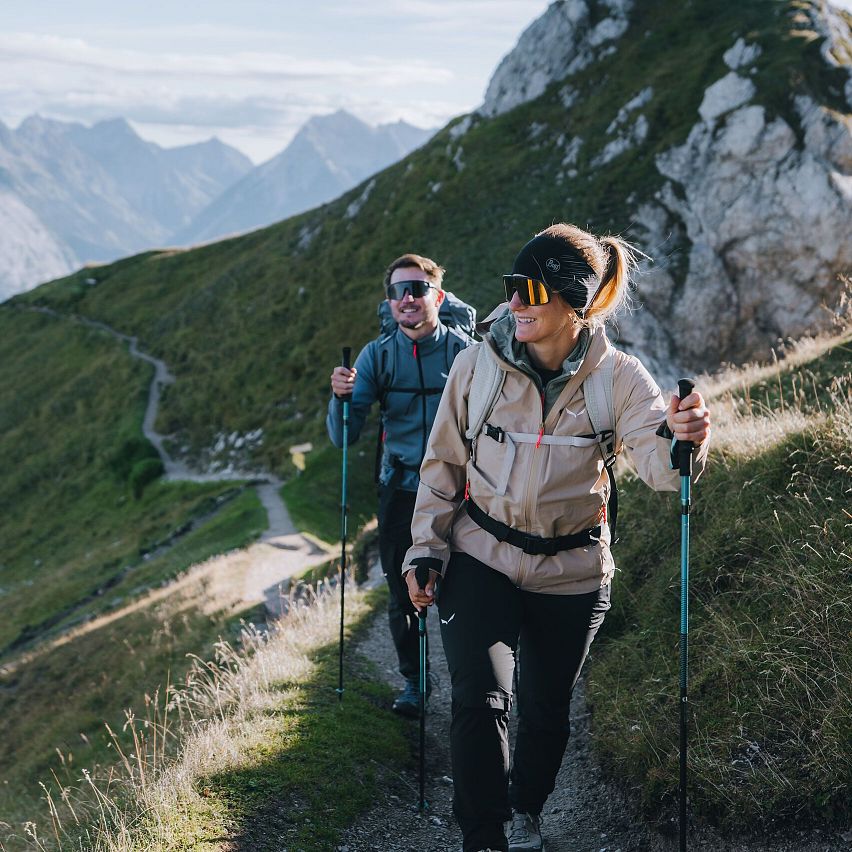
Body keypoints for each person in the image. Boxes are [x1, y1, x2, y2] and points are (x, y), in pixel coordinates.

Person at [403, 224, 711, 852]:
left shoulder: (620, 378)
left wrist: (686, 437)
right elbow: (441, 469)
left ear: (573, 302)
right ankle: (483, 836)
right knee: (479, 698)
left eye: (530, 290)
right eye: (510, 288)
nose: (513, 303)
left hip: (572, 570)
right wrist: (424, 550)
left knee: (545, 709)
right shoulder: (474, 367)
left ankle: (527, 808)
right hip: (480, 554)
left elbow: (660, 464)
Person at [327, 252, 474, 717]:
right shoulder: (377, 356)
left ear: (439, 296)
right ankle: (415, 683)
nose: (407, 299)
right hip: (402, 490)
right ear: (389, 302)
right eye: (398, 291)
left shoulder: (465, 354)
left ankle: (474, 684)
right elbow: (345, 435)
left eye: (417, 289)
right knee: (401, 592)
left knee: (467, 588)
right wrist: (341, 397)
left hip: (463, 492)